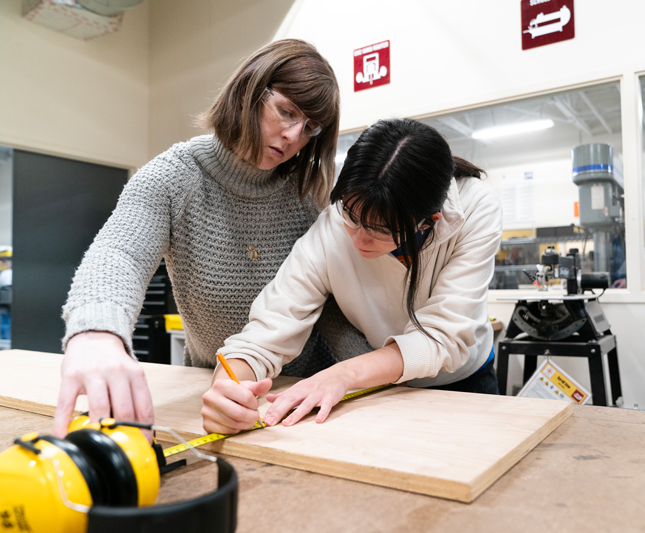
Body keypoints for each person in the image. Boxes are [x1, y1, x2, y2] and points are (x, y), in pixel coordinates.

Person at [54, 39, 372, 438]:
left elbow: (328, 307)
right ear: (249, 91)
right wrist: (97, 332)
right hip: (213, 390)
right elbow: (121, 254)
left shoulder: (309, 195)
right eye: (286, 112)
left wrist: (374, 375)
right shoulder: (173, 177)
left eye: (310, 128)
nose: (293, 136)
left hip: (302, 392)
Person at [201, 118, 503, 435]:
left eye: (381, 230)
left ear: (430, 221)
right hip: (379, 384)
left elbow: (444, 337)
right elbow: (273, 323)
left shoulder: (476, 207)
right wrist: (228, 386)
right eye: (352, 216)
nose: (358, 239)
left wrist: (342, 375)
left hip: (462, 382)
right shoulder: (334, 223)